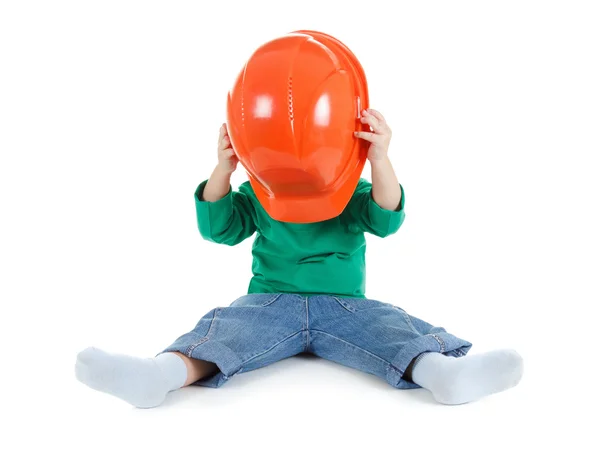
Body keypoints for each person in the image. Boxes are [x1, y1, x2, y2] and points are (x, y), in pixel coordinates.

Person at [75, 109, 523, 408]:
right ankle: (160, 375)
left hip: (345, 304)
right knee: (222, 330)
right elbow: (218, 227)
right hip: (270, 303)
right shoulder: (259, 193)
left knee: (390, 327)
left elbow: (387, 217)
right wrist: (223, 170)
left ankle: (443, 374)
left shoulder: (352, 193)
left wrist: (380, 159)